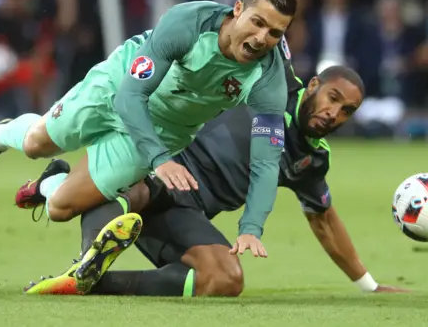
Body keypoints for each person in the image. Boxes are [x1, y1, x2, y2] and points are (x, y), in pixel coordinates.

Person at [0, 0, 353, 257]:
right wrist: (160, 161)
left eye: (275, 34)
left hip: (166, 129)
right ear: (237, 10)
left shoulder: (268, 80)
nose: (262, 38)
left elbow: (267, 164)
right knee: (36, 143)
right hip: (120, 86)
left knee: (60, 207)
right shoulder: (188, 22)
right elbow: (132, 95)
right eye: (257, 24)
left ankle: (51, 184)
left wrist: (251, 227)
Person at [24, 43, 406, 296]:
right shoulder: (273, 81)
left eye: (346, 111)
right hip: (158, 166)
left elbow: (324, 220)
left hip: (183, 211)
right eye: (333, 99)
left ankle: (94, 281)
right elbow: (266, 0)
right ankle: (69, 212)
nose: (334, 114)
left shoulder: (312, 160)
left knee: (227, 278)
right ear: (314, 85)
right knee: (134, 189)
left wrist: (369, 286)